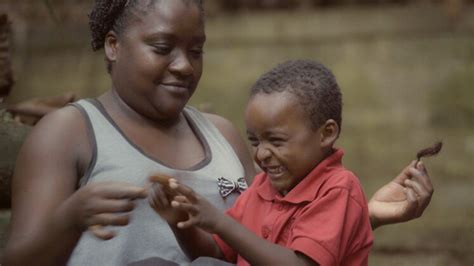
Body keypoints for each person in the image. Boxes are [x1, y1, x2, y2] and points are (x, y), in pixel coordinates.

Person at [3, 0, 433, 265]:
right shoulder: (70, 131)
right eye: (161, 47)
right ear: (114, 45)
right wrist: (70, 217)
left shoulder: (224, 135)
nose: (184, 65)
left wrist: (364, 216)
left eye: (196, 50)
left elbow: (274, 239)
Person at [151, 59, 373, 266]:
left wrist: (221, 223)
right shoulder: (261, 188)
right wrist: (180, 221)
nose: (262, 154)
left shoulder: (338, 188)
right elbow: (217, 253)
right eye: (255, 141)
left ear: (326, 134)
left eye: (276, 141)